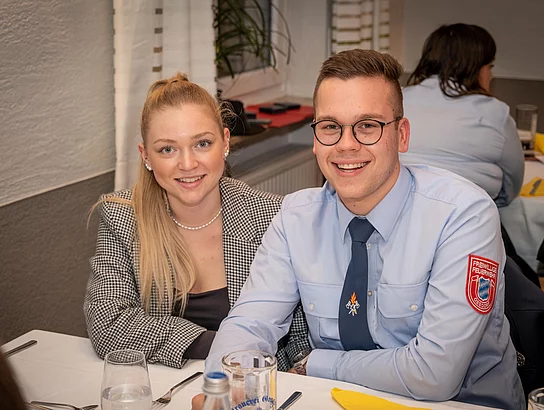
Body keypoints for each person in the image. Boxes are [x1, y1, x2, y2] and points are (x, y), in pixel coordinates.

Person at [202, 49, 525, 409]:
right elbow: (249, 324)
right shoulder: (295, 219)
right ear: (315, 139)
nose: (346, 145)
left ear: (402, 135)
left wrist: (319, 364)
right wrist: (224, 389)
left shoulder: (462, 214)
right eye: (330, 127)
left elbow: (435, 374)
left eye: (368, 126)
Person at [84, 73, 309, 370]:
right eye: (167, 149)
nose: (188, 164)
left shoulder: (270, 216)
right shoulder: (123, 218)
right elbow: (108, 324)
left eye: (202, 143)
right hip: (162, 387)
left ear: (225, 142)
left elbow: (301, 337)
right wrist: (226, 345)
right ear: (146, 156)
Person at [400, 23, 524, 208]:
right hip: (469, 214)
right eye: (490, 67)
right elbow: (512, 184)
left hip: (398, 212)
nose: (491, 76)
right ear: (477, 69)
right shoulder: (495, 112)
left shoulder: (398, 99)